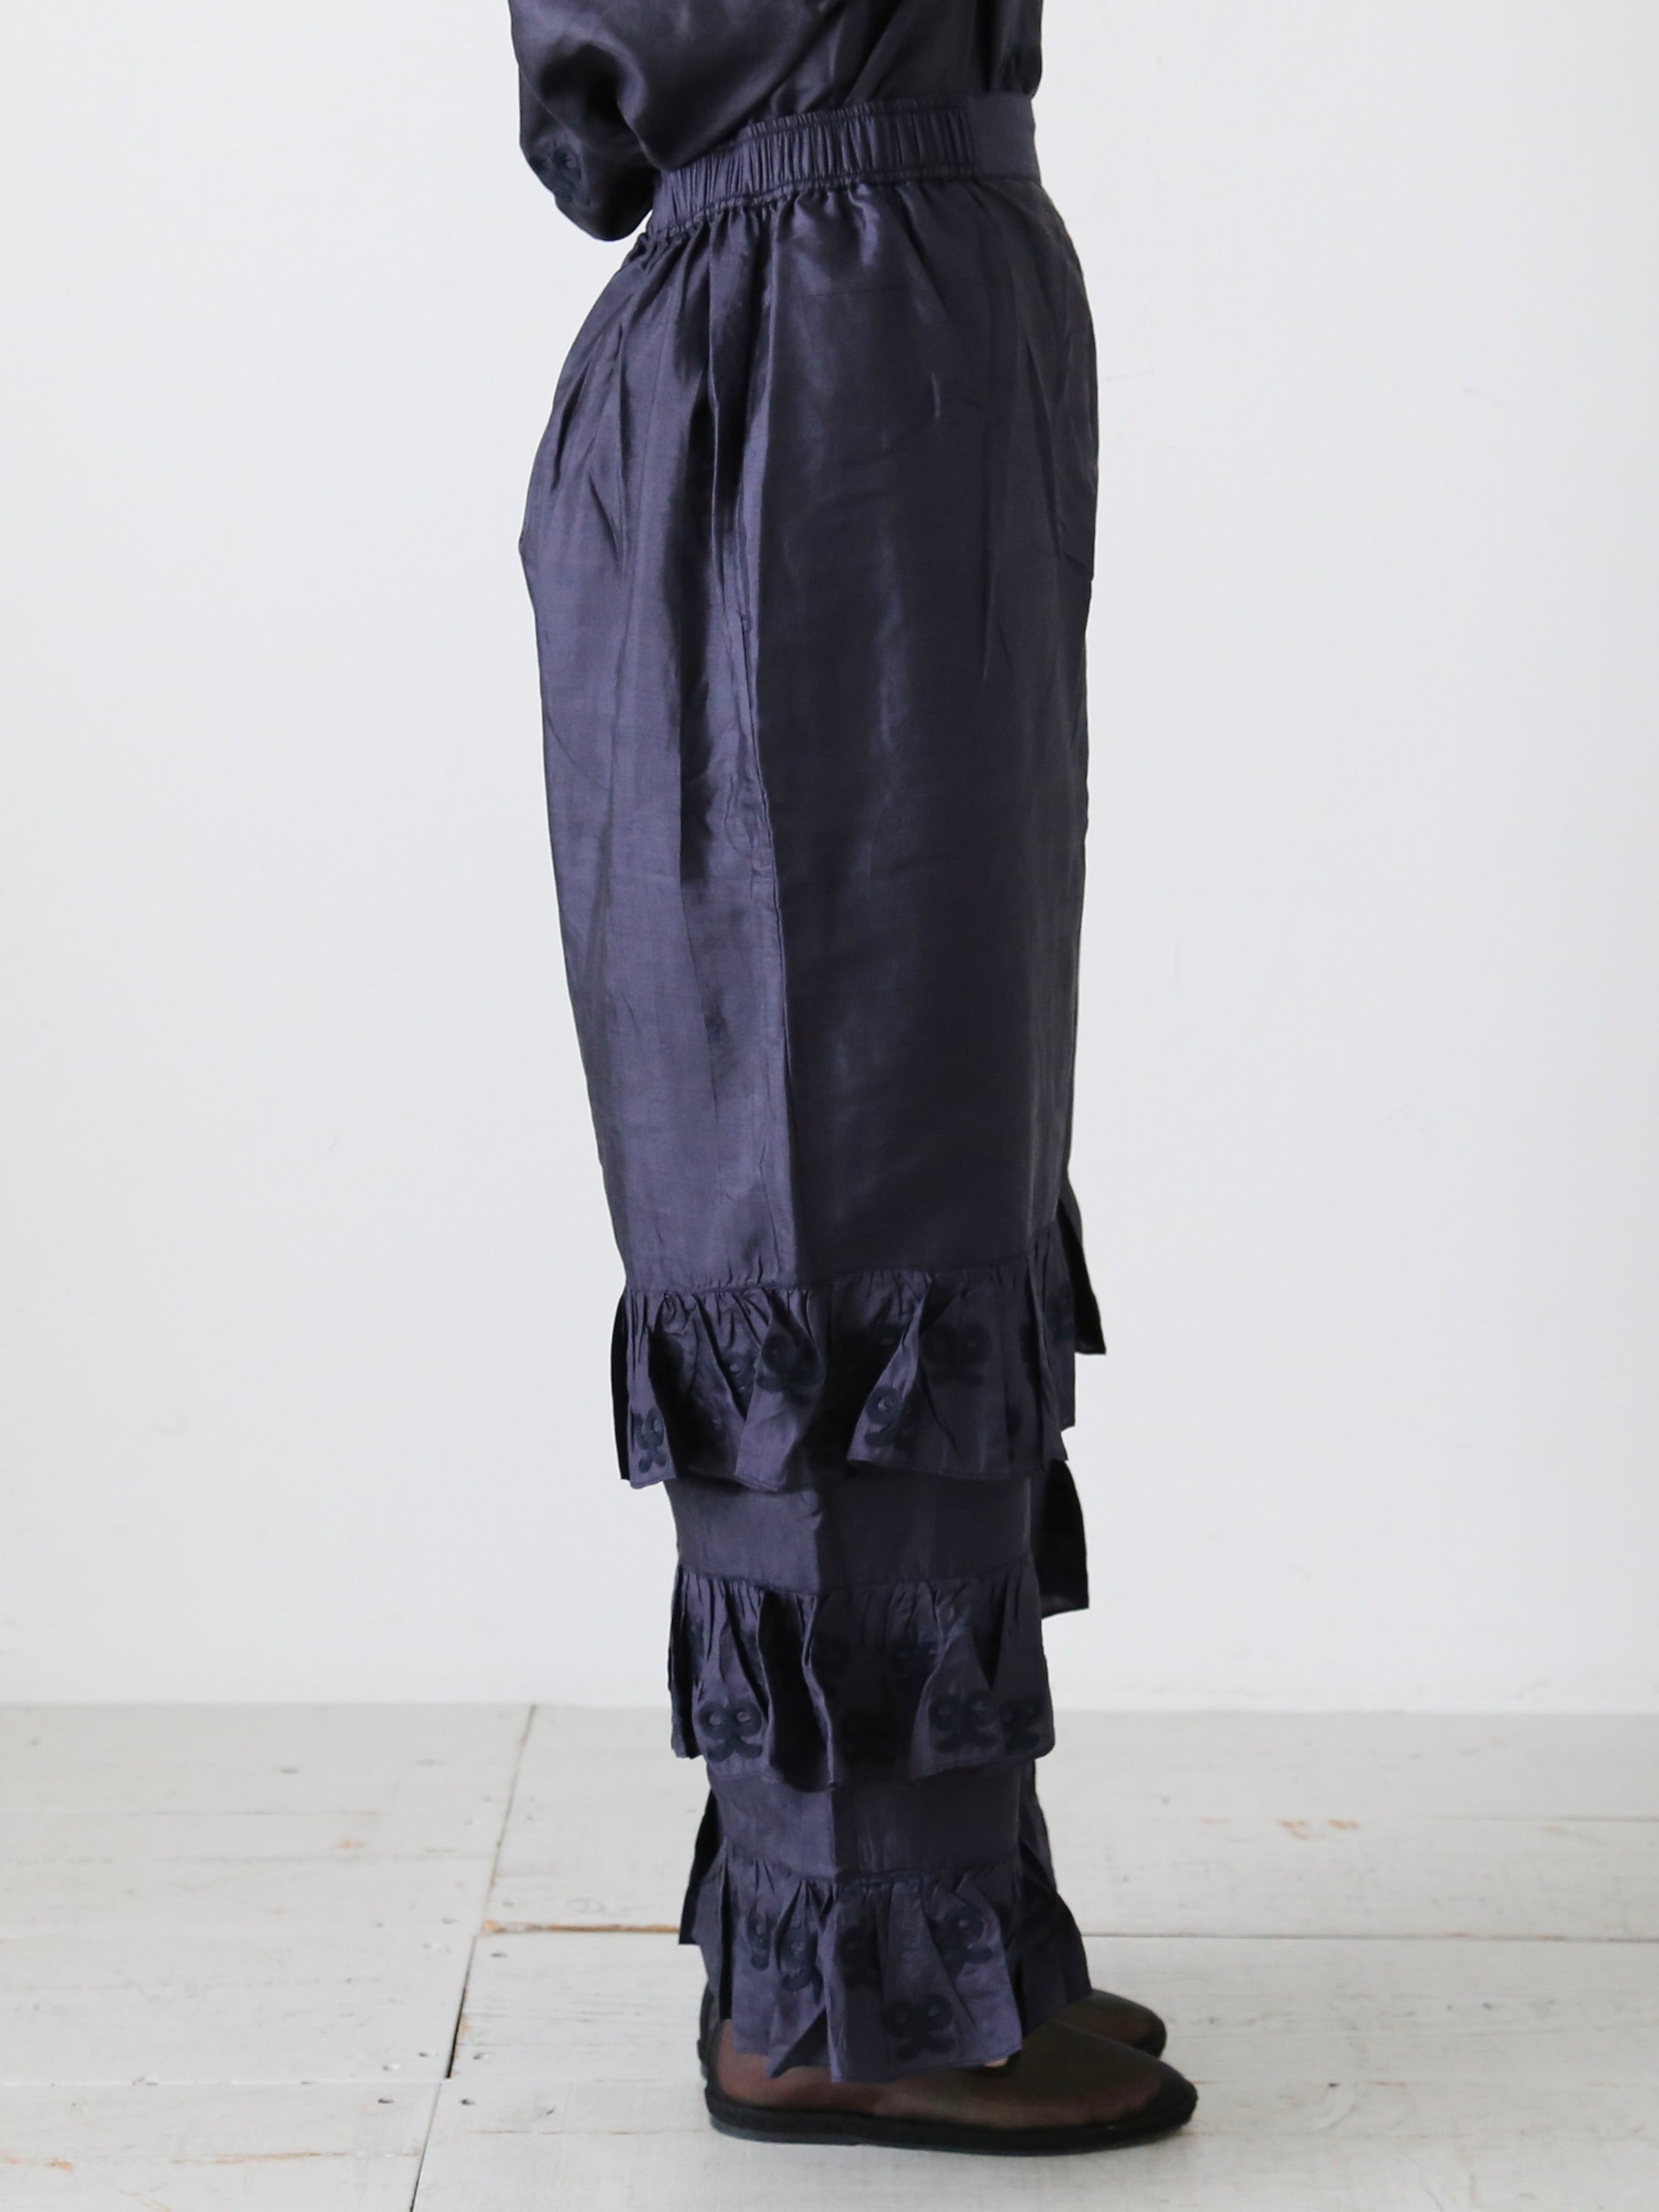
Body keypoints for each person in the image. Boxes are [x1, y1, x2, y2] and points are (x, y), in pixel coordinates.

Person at [509, 0, 1198, 2155]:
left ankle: (932, 1933)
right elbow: (611, 111)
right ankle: (844, 2000)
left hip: (894, 324)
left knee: (936, 1136)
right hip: (808, 367)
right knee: (835, 1172)